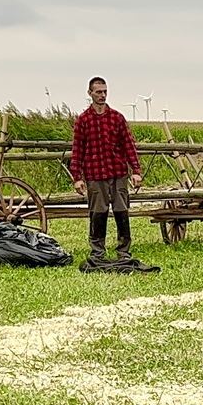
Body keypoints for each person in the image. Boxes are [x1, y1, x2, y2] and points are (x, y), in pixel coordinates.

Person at [69, 76, 154, 273]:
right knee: (97, 213)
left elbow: (128, 146)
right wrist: (77, 177)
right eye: (98, 92)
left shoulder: (117, 118)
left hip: (118, 172)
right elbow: (77, 151)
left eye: (105, 91)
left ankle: (124, 251)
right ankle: (97, 252)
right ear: (90, 93)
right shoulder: (83, 120)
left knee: (121, 211)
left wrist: (136, 171)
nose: (102, 95)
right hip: (94, 173)